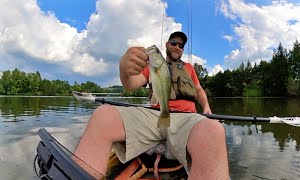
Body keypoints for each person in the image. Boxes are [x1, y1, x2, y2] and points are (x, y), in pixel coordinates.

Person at [74, 31, 229, 179]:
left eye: (181, 46)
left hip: (187, 118)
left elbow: (199, 89)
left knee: (215, 130)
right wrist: (124, 70)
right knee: (104, 115)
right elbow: (131, 84)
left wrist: (207, 108)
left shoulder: (189, 68)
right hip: (155, 114)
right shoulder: (154, 66)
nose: (177, 47)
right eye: (174, 43)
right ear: (167, 44)